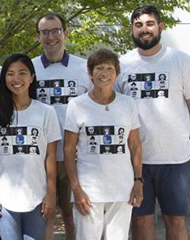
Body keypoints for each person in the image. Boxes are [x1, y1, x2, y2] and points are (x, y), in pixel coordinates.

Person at [114, 6, 190, 240]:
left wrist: (176, 134)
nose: (144, 29)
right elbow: (116, 110)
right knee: (140, 222)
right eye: (138, 25)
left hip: (175, 159)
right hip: (136, 161)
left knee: (175, 220)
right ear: (132, 30)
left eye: (149, 23)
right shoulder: (122, 65)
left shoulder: (180, 60)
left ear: (160, 27)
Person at [64, 49, 143, 240]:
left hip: (121, 189)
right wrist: (76, 188)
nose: (104, 73)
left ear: (116, 74)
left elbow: (135, 146)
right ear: (90, 73)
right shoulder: (76, 105)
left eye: (110, 69)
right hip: (88, 190)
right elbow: (68, 150)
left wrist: (138, 181)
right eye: (99, 68)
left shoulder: (128, 103)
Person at [0, 53, 60, 239]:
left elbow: (50, 158)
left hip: (37, 196)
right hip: (4, 198)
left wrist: (51, 193)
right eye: (10, 74)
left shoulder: (46, 112)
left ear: (32, 77)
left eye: (22, 73)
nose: (16, 79)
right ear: (4, 78)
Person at [31, 12, 92, 240]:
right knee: (44, 214)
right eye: (44, 32)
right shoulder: (30, 68)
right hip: (39, 156)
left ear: (65, 33)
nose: (51, 37)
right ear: (38, 37)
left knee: (72, 214)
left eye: (55, 31)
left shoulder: (84, 68)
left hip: (73, 156)